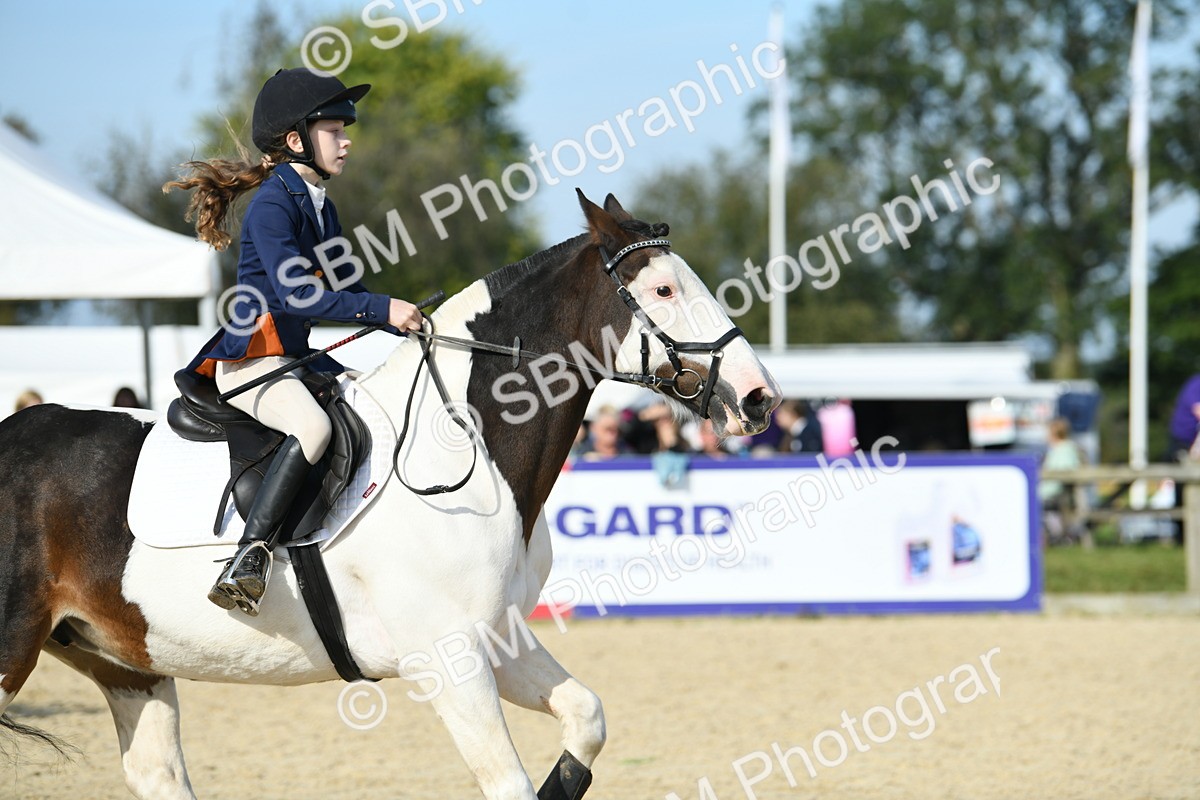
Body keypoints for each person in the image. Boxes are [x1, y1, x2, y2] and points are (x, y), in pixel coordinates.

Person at [165, 68, 423, 615]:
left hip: (292, 360)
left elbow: (346, 288)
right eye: (334, 129)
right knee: (313, 425)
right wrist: (381, 309)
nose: (347, 139)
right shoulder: (273, 205)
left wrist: (408, 316)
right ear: (295, 140)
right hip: (251, 359)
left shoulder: (319, 204)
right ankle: (248, 556)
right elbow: (299, 296)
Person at [1168, 373, 1200, 461]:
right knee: (1175, 470)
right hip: (1184, 439)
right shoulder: (1196, 384)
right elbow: (1198, 410)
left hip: (1192, 439)